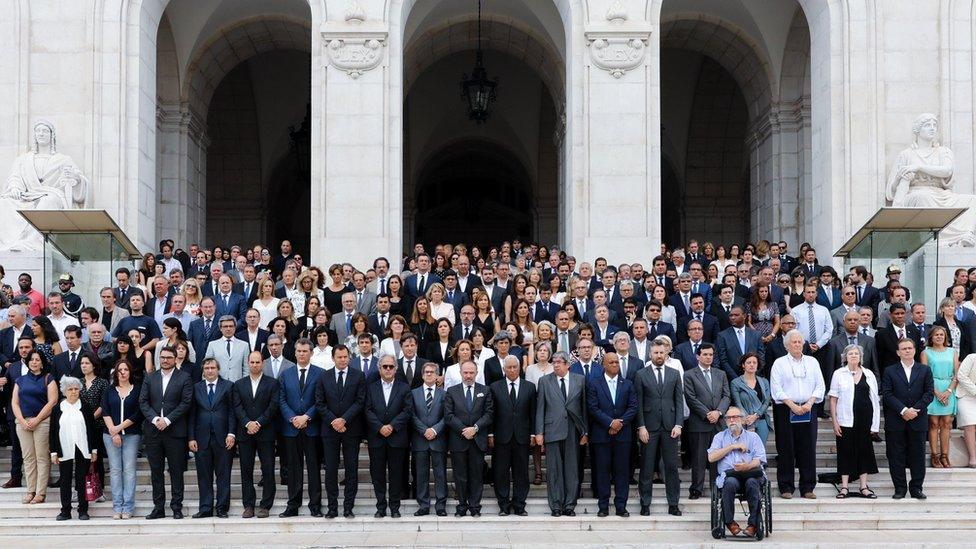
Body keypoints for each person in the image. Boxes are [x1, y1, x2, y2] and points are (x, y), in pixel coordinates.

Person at [769, 330, 825, 499]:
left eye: (800, 342)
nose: (797, 344)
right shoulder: (779, 363)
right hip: (786, 409)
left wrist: (809, 403)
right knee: (786, 448)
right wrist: (792, 405)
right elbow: (776, 389)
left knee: (808, 448)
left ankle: (808, 487)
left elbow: (820, 386)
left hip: (808, 408)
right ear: (787, 345)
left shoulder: (812, 361)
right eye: (794, 342)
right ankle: (786, 487)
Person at [139, 346, 193, 519]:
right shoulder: (150, 378)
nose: (165, 360)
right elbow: (143, 402)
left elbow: (185, 403)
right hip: (153, 432)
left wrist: (167, 420)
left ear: (176, 358)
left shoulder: (184, 377)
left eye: (169, 357)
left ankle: (177, 506)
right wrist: (155, 420)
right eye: (162, 357)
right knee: (156, 471)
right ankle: (158, 507)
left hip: (175, 431)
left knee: (176, 471)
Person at [634, 339, 684, 516]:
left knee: (671, 466)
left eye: (661, 352)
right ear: (650, 354)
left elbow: (679, 400)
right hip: (649, 426)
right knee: (647, 467)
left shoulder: (674, 373)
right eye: (655, 352)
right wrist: (641, 426)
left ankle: (674, 504)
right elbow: (638, 403)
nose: (659, 355)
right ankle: (645, 503)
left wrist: (679, 424)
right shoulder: (641, 374)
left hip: (671, 426)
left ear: (666, 353)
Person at [535, 351, 588, 516]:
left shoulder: (580, 380)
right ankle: (556, 505)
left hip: (573, 430)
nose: (556, 364)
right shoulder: (544, 381)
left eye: (559, 362)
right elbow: (540, 408)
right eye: (554, 362)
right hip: (552, 430)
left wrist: (585, 432)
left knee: (572, 470)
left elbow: (584, 408)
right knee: (554, 470)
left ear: (567, 365)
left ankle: (570, 505)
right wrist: (539, 432)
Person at [315, 343, 365, 518]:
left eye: (345, 357)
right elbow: (320, 403)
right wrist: (334, 421)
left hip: (351, 429)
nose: (343, 360)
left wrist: (344, 419)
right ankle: (332, 507)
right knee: (331, 470)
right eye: (339, 357)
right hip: (329, 430)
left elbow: (360, 401)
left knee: (351, 469)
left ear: (349, 357)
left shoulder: (358, 376)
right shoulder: (324, 377)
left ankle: (348, 507)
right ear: (333, 358)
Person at [881, 338, 934, 499]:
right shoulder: (889, 371)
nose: (907, 351)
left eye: (910, 348)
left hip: (918, 420)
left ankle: (916, 488)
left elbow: (929, 393)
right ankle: (900, 488)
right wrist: (903, 410)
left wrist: (915, 410)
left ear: (915, 350)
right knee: (896, 456)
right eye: (903, 349)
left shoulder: (924, 370)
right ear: (898, 352)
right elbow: (887, 394)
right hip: (896, 420)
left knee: (918, 455)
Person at [586, 353, 637, 517]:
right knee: (602, 471)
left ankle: (621, 505)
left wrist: (619, 423)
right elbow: (593, 408)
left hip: (623, 435)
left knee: (622, 471)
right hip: (601, 435)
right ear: (604, 365)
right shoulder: (594, 384)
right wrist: (610, 422)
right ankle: (603, 506)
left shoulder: (628, 384)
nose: (615, 364)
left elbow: (633, 407)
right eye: (611, 362)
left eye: (617, 362)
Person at [277, 339, 323, 517]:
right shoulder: (285, 374)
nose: (302, 354)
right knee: (293, 469)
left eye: (305, 351)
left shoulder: (320, 374)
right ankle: (293, 505)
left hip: (312, 428)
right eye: (299, 351)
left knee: (313, 468)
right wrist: (292, 418)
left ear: (311, 353)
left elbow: (320, 400)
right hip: (291, 428)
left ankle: (315, 505)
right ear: (294, 353)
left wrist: (307, 416)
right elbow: (281, 399)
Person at [364, 354, 413, 518]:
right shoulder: (371, 388)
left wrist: (392, 426)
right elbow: (367, 410)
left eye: (391, 366)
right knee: (377, 475)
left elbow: (407, 410)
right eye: (385, 366)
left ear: (396, 369)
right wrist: (380, 427)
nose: (388, 369)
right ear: (379, 369)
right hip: (377, 438)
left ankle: (395, 507)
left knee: (396, 474)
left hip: (397, 438)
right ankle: (380, 507)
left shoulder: (404, 388)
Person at [828, 344, 880, 498]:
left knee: (864, 451)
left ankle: (864, 487)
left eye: (856, 353)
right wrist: (834, 422)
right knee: (845, 451)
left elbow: (875, 400)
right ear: (845, 356)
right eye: (850, 353)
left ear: (860, 357)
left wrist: (875, 424)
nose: (853, 356)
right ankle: (844, 487)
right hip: (845, 419)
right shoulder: (839, 374)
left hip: (865, 420)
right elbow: (833, 400)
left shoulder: (869, 374)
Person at [707, 406, 767, 538]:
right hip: (730, 475)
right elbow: (711, 457)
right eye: (728, 418)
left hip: (750, 474)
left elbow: (760, 459)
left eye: (735, 417)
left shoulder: (753, 437)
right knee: (729, 483)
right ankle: (729, 522)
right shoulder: (720, 437)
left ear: (742, 419)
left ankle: (753, 524)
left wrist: (747, 466)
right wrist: (732, 446)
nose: (732, 420)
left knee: (752, 483)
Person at [232, 350, 279, 518]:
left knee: (267, 469)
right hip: (245, 433)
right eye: (252, 362)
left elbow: (273, 406)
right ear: (248, 363)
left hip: (265, 432)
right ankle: (249, 505)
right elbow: (237, 407)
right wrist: (247, 423)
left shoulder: (272, 383)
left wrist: (258, 423)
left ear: (263, 363)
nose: (254, 365)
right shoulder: (238, 384)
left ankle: (265, 505)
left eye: (257, 362)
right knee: (246, 470)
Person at [443, 360, 493, 517]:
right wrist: (464, 430)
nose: (469, 375)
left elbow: (489, 413)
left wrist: (475, 428)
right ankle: (461, 506)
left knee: (477, 475)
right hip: (459, 440)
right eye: (466, 372)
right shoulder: (451, 391)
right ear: (460, 373)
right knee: (460, 476)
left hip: (477, 440)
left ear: (476, 373)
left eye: (472, 372)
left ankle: (475, 507)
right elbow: (448, 416)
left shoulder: (485, 390)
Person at [187, 358, 236, 518]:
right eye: (206, 368)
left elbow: (232, 412)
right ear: (203, 370)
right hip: (201, 439)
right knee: (204, 475)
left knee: (223, 475)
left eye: (212, 367)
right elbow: (192, 414)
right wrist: (191, 437)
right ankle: (206, 508)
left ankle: (222, 508)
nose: (209, 370)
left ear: (218, 369)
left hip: (223, 438)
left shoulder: (228, 386)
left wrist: (231, 433)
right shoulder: (196, 388)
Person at [489, 355, 537, 517]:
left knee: (521, 472)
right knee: (500, 472)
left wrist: (533, 433)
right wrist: (490, 434)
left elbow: (533, 413)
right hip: (501, 437)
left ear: (519, 368)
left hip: (522, 437)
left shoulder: (529, 387)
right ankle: (503, 505)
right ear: (504, 369)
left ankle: (519, 505)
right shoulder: (495, 387)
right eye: (508, 367)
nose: (512, 370)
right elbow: (491, 414)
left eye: (514, 367)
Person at [683, 342, 730, 500]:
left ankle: (717, 486)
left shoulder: (720, 373)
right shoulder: (689, 375)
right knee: (698, 457)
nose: (708, 357)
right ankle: (696, 488)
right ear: (698, 356)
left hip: (718, 422)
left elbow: (726, 395)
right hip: (699, 422)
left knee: (718, 456)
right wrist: (707, 413)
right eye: (705, 354)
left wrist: (718, 412)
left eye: (711, 354)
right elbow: (690, 397)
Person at [49, 376, 99, 520]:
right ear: (64, 391)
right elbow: (52, 431)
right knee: (65, 480)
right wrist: (53, 452)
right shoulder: (58, 408)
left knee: (81, 479)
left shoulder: (85, 407)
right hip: (64, 448)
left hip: (82, 447)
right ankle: (65, 510)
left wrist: (93, 450)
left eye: (76, 389)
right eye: (70, 389)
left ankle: (83, 510)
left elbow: (92, 430)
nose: (73, 392)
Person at [11, 349, 58, 504]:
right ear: (27, 361)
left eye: (37, 360)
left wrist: (37, 419)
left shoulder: (48, 378)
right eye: (32, 359)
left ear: (42, 362)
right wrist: (22, 420)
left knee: (42, 457)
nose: (34, 362)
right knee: (28, 457)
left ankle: (40, 492)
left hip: (42, 421)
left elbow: (52, 401)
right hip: (23, 423)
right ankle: (30, 490)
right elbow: (14, 403)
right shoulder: (20, 380)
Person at [101, 361, 141, 519]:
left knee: (129, 471)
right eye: (120, 370)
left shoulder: (137, 390)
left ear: (130, 372)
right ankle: (117, 507)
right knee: (116, 470)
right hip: (110, 435)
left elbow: (138, 414)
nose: (123, 372)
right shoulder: (109, 390)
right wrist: (114, 432)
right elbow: (105, 411)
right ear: (115, 373)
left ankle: (128, 507)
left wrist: (119, 428)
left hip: (131, 434)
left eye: (126, 369)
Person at [411, 362, 448, 516]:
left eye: (432, 372)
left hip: (438, 439)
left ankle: (440, 506)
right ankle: (424, 505)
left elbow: (447, 416)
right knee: (421, 474)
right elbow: (411, 415)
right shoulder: (413, 393)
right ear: (422, 375)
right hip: (420, 440)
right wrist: (424, 430)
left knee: (440, 474)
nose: (429, 374)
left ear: (437, 375)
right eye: (426, 372)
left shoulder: (444, 394)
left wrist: (434, 430)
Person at [921, 326, 959, 467]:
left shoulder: (952, 352)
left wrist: (948, 391)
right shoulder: (926, 352)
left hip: (949, 388)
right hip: (932, 388)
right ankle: (934, 455)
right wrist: (936, 392)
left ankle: (944, 455)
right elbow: (925, 375)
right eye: (936, 334)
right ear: (931, 337)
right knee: (933, 423)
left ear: (945, 337)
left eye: (941, 334)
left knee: (947, 424)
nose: (939, 337)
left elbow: (957, 374)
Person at [730, 353, 772, 444]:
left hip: (761, 420)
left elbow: (766, 401)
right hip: (744, 421)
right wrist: (747, 418)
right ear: (743, 365)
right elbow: (737, 403)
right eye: (749, 362)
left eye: (754, 362)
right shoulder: (735, 383)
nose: (752, 365)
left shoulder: (764, 382)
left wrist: (756, 415)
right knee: (745, 450)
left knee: (760, 450)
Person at [203, 315, 250, 382]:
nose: (228, 329)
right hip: (219, 386)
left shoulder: (244, 345)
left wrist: (244, 384)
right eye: (225, 326)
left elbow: (246, 368)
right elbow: (207, 366)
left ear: (235, 328)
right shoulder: (212, 345)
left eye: (231, 326)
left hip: (237, 385)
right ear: (220, 328)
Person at [956, 353, 976, 467]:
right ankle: (973, 457)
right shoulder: (971, 357)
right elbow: (961, 376)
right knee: (970, 424)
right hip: (965, 396)